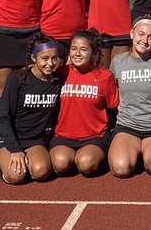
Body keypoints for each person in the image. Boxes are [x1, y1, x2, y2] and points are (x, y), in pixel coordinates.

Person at [0, 33, 63, 184]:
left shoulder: (57, 82)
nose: (50, 63)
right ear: (34, 58)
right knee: (17, 176)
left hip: (34, 140)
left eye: (54, 58)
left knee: (41, 172)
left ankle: (26, 160)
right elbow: (3, 117)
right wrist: (14, 149)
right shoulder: (18, 79)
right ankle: (0, 162)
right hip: (7, 139)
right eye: (44, 58)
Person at [108, 15, 151, 178]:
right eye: (141, 34)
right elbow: (113, 93)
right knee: (120, 168)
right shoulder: (118, 61)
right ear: (131, 33)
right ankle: (131, 151)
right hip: (127, 126)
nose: (145, 40)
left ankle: (147, 151)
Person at [50, 28, 120, 176]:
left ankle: (95, 157)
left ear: (93, 52)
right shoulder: (61, 73)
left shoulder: (104, 76)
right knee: (60, 164)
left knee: (86, 164)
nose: (77, 53)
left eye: (83, 49)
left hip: (94, 136)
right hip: (63, 136)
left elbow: (114, 107)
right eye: (73, 49)